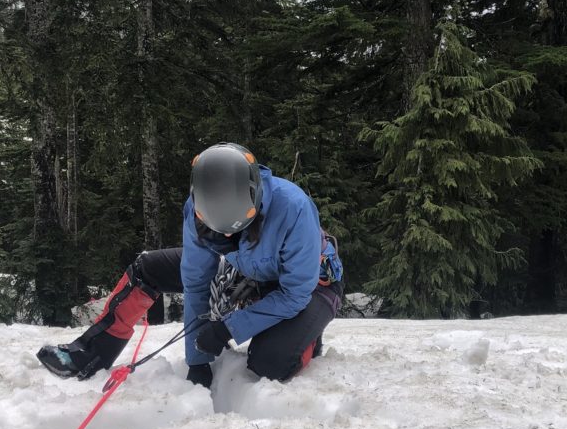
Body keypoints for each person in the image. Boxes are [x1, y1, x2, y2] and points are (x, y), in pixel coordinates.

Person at [37, 142, 344, 388]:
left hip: (311, 286)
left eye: (236, 230)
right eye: (219, 231)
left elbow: (294, 294)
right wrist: (196, 362)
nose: (226, 236)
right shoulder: (198, 208)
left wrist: (227, 328)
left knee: (271, 363)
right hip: (244, 272)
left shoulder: (293, 209)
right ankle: (90, 352)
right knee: (148, 268)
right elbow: (196, 282)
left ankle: (307, 336)